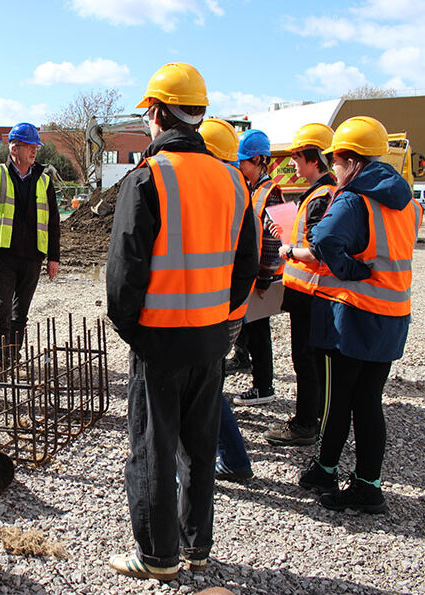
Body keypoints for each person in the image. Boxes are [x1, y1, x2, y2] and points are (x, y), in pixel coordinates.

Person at [106, 63, 258, 581]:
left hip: (160, 340)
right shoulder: (234, 181)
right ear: (197, 116)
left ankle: (158, 556)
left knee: (153, 448)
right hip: (211, 340)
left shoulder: (149, 178)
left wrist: (137, 332)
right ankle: (196, 549)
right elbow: (246, 269)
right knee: (199, 446)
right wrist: (222, 321)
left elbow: (123, 278)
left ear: (155, 111)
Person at [297, 116, 422, 513]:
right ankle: (368, 484)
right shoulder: (405, 201)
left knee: (338, 399)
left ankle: (325, 469)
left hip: (351, 317)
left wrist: (350, 269)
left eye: (335, 160)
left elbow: (324, 240)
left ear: (350, 160)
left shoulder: (354, 198)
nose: (332, 167)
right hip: (391, 315)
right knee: (368, 400)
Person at [264, 123, 336, 446]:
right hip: (306, 294)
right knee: (310, 361)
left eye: (296, 156)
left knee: (306, 361)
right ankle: (315, 418)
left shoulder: (322, 197)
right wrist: (285, 233)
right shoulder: (318, 195)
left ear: (313, 159)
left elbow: (319, 250)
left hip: (309, 294)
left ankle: (306, 424)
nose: (292, 163)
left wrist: (289, 250)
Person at [199, 118, 256, 481]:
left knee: (204, 387)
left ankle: (233, 460)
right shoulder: (237, 188)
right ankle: (233, 458)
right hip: (227, 307)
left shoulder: (218, 188)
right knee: (207, 384)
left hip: (215, 310)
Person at [0, 123, 60, 369]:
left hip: (33, 256)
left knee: (21, 313)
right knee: (2, 310)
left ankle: (11, 355)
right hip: (4, 255)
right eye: (29, 147)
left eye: (36, 147)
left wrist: (54, 257)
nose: (34, 152)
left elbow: (53, 220)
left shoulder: (43, 180)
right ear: (14, 148)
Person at [229, 129, 284, 406]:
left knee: (260, 332)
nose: (241, 167)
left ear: (260, 160)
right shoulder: (251, 189)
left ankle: (264, 387)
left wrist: (265, 276)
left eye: (245, 163)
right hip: (251, 274)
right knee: (249, 327)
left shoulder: (270, 193)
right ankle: (245, 363)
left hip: (262, 275)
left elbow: (273, 239)